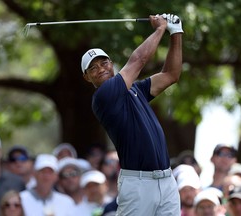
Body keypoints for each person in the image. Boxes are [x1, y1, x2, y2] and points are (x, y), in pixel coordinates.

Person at [81, 13, 183, 215]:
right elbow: (138, 60)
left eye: (104, 62)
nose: (101, 68)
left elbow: (171, 75)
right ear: (86, 77)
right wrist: (160, 29)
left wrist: (176, 32)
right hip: (137, 183)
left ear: (111, 63)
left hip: (167, 181)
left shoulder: (136, 90)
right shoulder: (103, 96)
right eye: (93, 68)